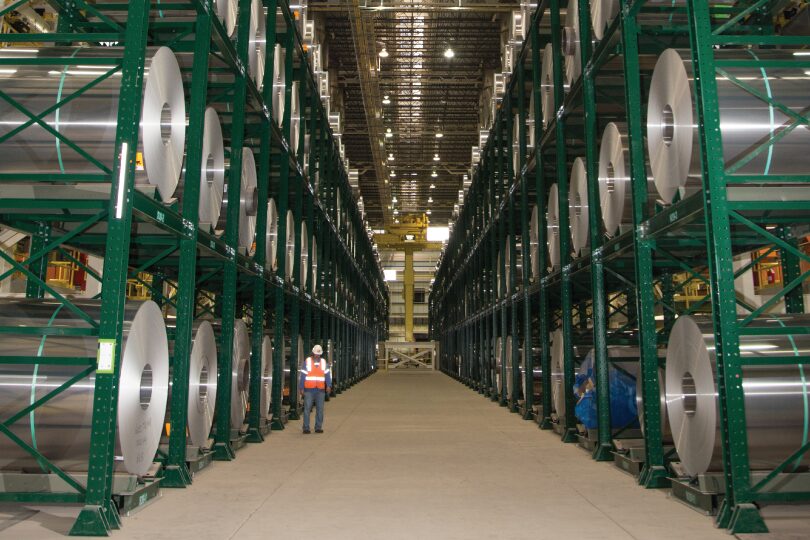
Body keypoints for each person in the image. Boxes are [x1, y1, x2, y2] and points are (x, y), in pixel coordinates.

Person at [298, 344, 331, 434]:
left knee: (320, 409)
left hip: (320, 390)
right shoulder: (307, 361)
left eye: (318, 354)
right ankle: (306, 428)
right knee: (307, 409)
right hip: (309, 389)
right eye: (316, 353)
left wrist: (328, 385)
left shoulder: (324, 362)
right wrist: (301, 388)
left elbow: (327, 375)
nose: (317, 355)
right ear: (313, 353)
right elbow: (303, 376)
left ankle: (318, 427)